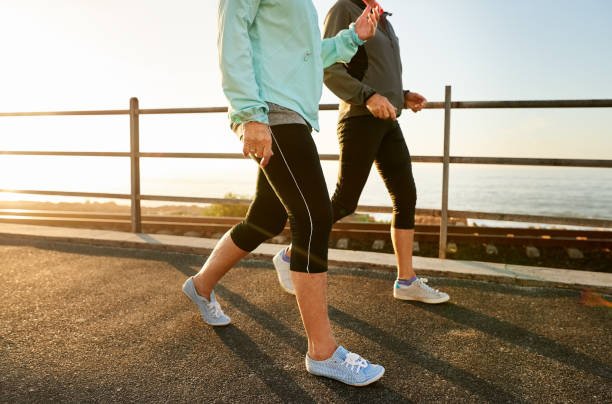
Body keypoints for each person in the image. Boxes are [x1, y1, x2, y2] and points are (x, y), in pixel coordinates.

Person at [182, 0, 385, 387]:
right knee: (314, 216)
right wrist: (250, 114)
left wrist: (351, 38)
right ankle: (322, 352)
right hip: (272, 111)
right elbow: (232, 37)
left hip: (292, 112)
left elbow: (307, 54)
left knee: (266, 218)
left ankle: (201, 285)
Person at [272, 0, 450, 304]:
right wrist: (367, 96)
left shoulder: (383, 18)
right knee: (345, 200)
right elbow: (326, 65)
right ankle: (290, 255)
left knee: (405, 196)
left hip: (388, 118)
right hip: (359, 118)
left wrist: (402, 96)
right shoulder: (344, 9)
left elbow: (374, 69)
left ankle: (406, 280)